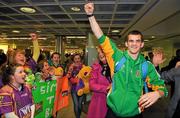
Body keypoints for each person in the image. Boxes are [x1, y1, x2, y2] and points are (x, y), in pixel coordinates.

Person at [84, 2, 167, 118]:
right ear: (126, 43)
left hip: (135, 114)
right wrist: (90, 16)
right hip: (112, 112)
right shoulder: (116, 56)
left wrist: (158, 94)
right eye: (131, 41)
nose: (134, 44)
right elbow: (100, 36)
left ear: (142, 44)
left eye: (137, 41)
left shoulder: (146, 66)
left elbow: (162, 86)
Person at [87, 46, 112, 118]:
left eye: (102, 52)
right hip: (99, 101)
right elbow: (92, 85)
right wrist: (107, 88)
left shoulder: (115, 67)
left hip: (113, 101)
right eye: (99, 53)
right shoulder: (96, 67)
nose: (100, 54)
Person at [67, 53, 85, 118]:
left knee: (80, 105)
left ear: (80, 59)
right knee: (76, 104)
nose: (77, 60)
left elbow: (87, 76)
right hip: (74, 89)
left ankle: (79, 115)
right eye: (75, 59)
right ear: (73, 60)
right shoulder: (71, 67)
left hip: (82, 89)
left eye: (78, 58)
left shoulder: (83, 67)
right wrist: (71, 79)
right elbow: (68, 76)